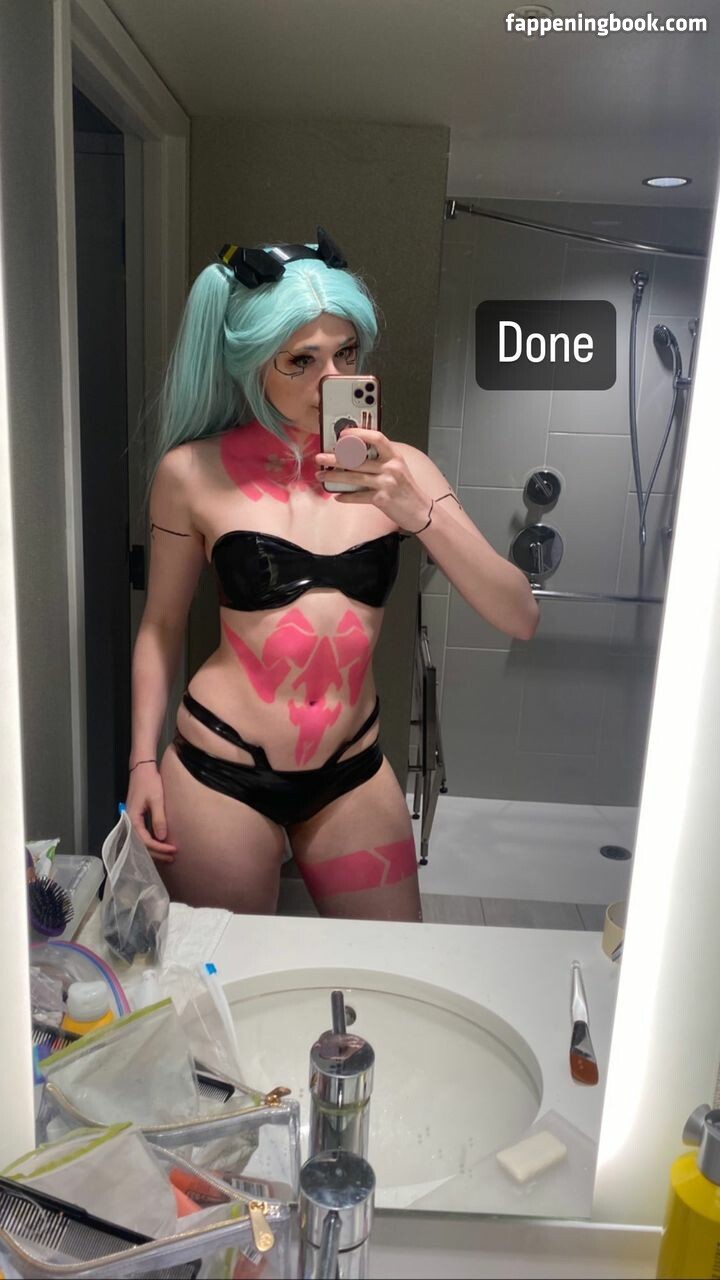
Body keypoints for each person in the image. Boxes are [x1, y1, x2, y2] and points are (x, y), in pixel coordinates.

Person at [126, 227, 539, 922]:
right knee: (232, 977)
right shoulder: (190, 473)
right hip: (219, 771)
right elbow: (161, 626)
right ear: (252, 362)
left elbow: (519, 616)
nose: (331, 378)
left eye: (345, 353)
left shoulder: (402, 471)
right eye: (301, 359)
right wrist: (142, 761)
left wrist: (415, 512)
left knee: (387, 967)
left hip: (352, 770)